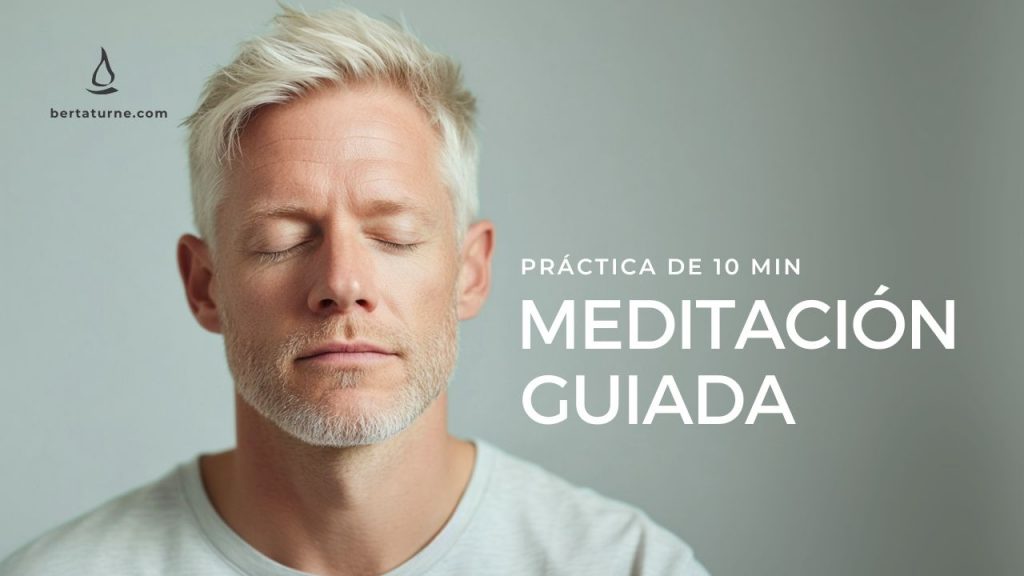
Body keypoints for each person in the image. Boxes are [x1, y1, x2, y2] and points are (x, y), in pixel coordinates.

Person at [0, 6, 709, 575]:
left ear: (470, 271)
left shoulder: (626, 565)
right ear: (204, 285)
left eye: (395, 236)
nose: (342, 284)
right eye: (282, 240)